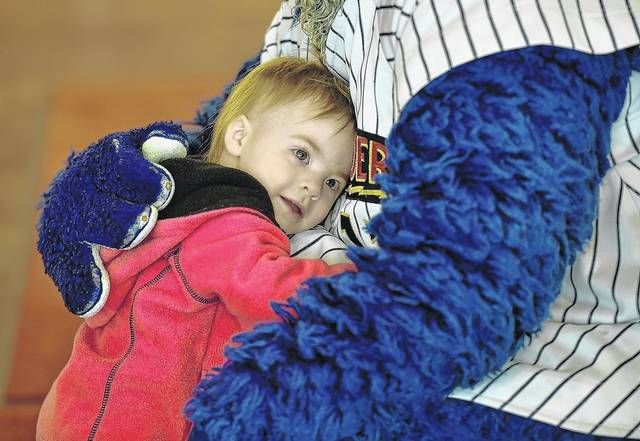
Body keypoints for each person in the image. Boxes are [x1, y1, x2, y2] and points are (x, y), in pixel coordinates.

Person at [36, 57, 357, 441]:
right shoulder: (232, 219)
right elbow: (274, 293)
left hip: (88, 407)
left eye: (334, 182)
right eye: (302, 154)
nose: (313, 186)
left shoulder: (188, 195)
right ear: (239, 137)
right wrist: (366, 285)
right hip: (125, 423)